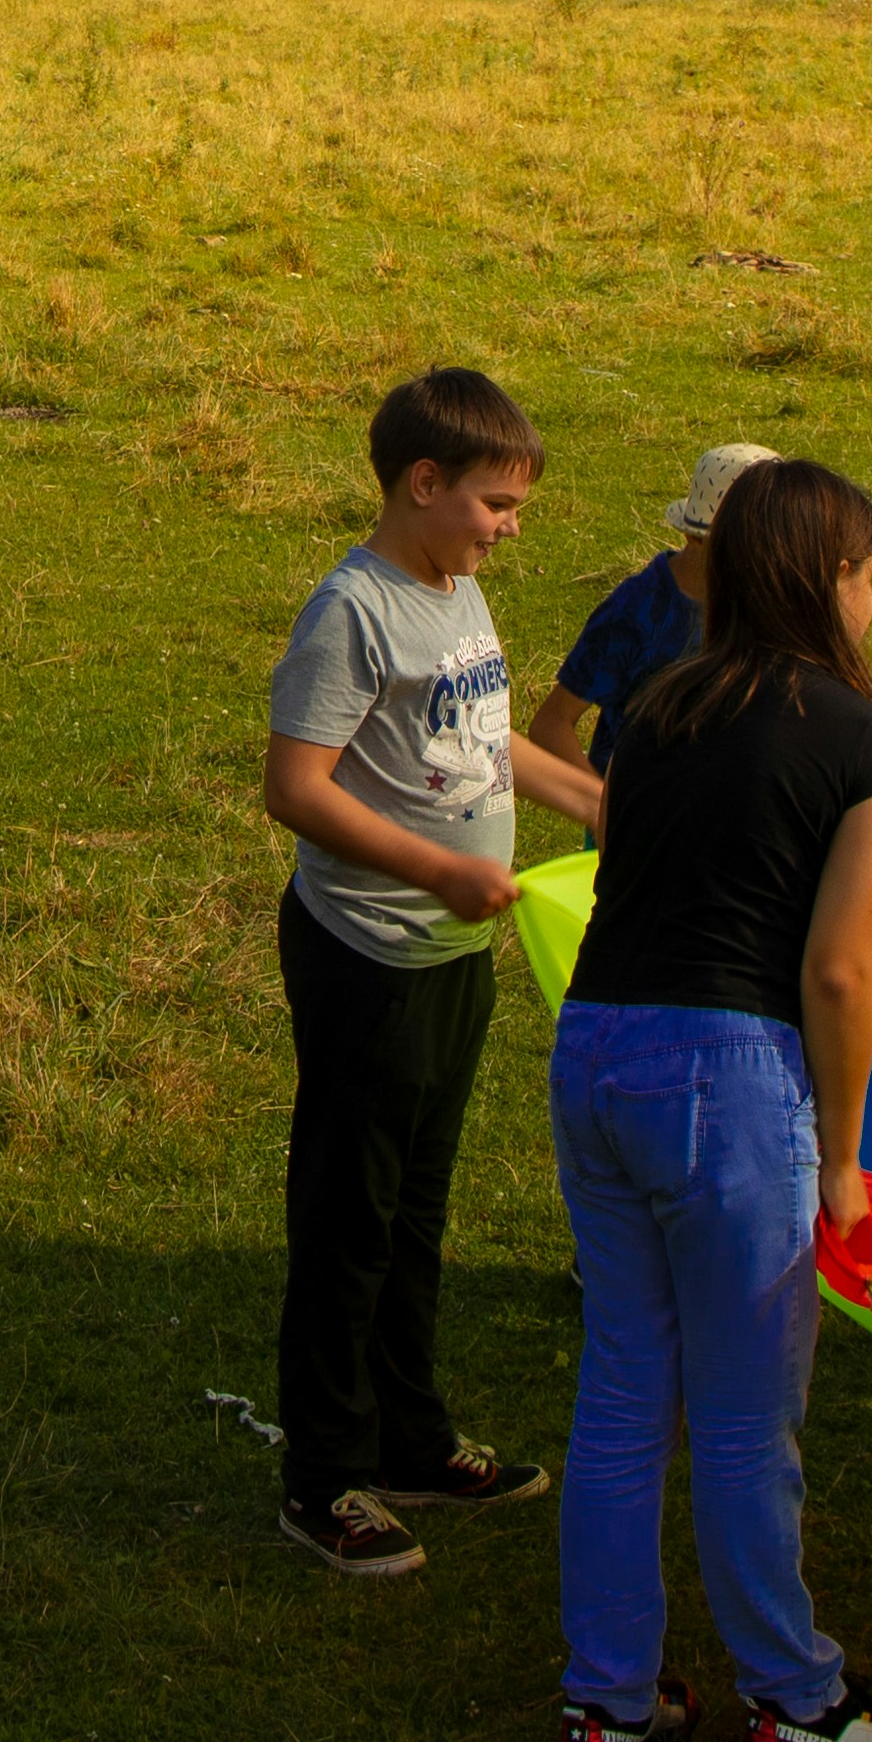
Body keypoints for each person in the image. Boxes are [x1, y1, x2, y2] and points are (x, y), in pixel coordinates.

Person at [539, 459, 872, 1742]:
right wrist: (839, 1158)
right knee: (742, 1413)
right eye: (871, 570)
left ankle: (606, 1701)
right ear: (829, 580)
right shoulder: (860, 743)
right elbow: (838, 969)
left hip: (597, 1051)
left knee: (621, 1392)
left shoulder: (657, 710)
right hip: (731, 1081)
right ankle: (794, 1694)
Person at [258, 368, 605, 1582]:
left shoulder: (455, 592)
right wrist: (435, 870)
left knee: (416, 1209)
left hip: (453, 956)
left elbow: (478, 733)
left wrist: (592, 800)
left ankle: (410, 1437)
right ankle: (322, 1476)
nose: (511, 526)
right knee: (349, 1217)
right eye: (497, 502)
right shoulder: (351, 613)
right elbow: (294, 787)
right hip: (371, 956)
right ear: (424, 483)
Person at [535, 443, 777, 778]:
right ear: (696, 538)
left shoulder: (768, 603)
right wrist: (601, 806)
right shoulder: (636, 611)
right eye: (749, 547)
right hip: (639, 817)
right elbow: (552, 723)